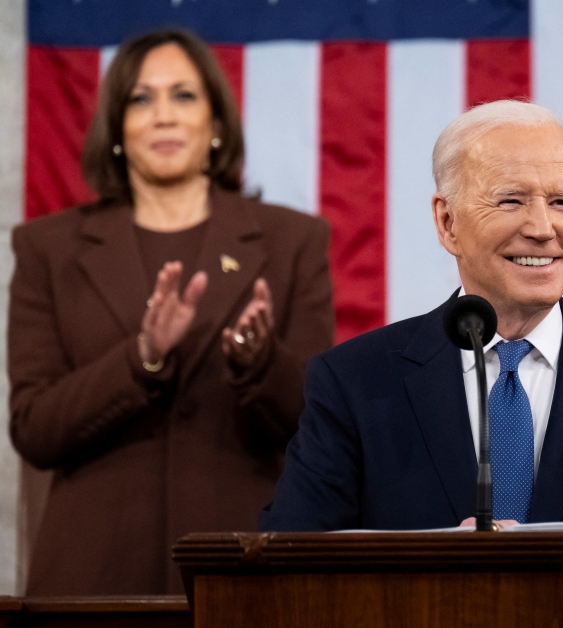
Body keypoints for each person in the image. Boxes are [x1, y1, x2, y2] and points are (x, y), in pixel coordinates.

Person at [259, 100, 563, 531]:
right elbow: (288, 561)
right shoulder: (354, 384)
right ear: (448, 223)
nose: (543, 228)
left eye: (561, 202)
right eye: (511, 200)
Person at [8, 29, 334, 595]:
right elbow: (35, 430)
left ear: (214, 122)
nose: (163, 115)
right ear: (116, 127)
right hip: (93, 578)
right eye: (141, 98)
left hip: (245, 569)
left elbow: (320, 424)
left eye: (183, 96)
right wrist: (141, 359)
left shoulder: (292, 241)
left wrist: (260, 362)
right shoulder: (49, 249)